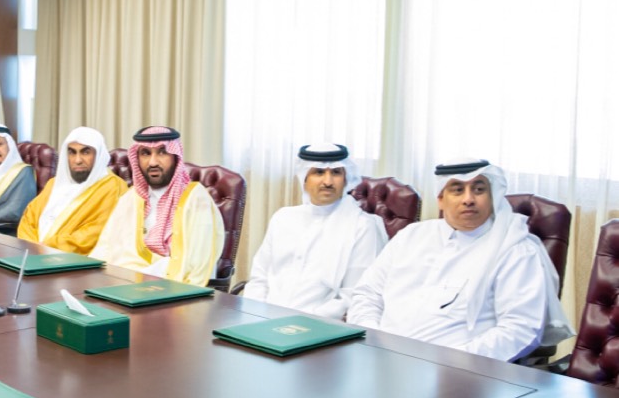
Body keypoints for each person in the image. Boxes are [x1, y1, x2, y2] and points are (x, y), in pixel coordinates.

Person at [347, 158, 573, 362]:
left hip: (458, 374)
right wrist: (373, 340)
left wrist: (453, 362)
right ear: (441, 199)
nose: (468, 199)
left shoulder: (514, 250)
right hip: (380, 359)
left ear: (492, 198)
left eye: (479, 190)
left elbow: (520, 330)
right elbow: (367, 293)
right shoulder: (411, 235)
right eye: (457, 190)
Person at [244, 143, 387, 319]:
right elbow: (259, 279)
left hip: (318, 326)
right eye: (318, 172)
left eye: (336, 173)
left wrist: (302, 323)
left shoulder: (362, 226)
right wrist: (253, 315)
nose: (328, 182)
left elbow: (353, 295)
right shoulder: (283, 218)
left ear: (346, 178)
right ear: (304, 178)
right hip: (261, 319)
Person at [90, 125, 224, 287]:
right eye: (145, 153)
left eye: (162, 152)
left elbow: (198, 267)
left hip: (171, 290)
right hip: (120, 286)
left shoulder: (196, 199)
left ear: (175, 157)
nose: (153, 162)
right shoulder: (131, 199)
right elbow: (103, 250)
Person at [17, 127, 126, 253]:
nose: (77, 160)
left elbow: (95, 233)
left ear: (98, 155)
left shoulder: (113, 187)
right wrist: (31, 246)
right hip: (31, 254)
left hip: (73, 261)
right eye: (72, 152)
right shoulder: (54, 184)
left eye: (85, 152)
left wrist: (46, 248)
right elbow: (29, 218)